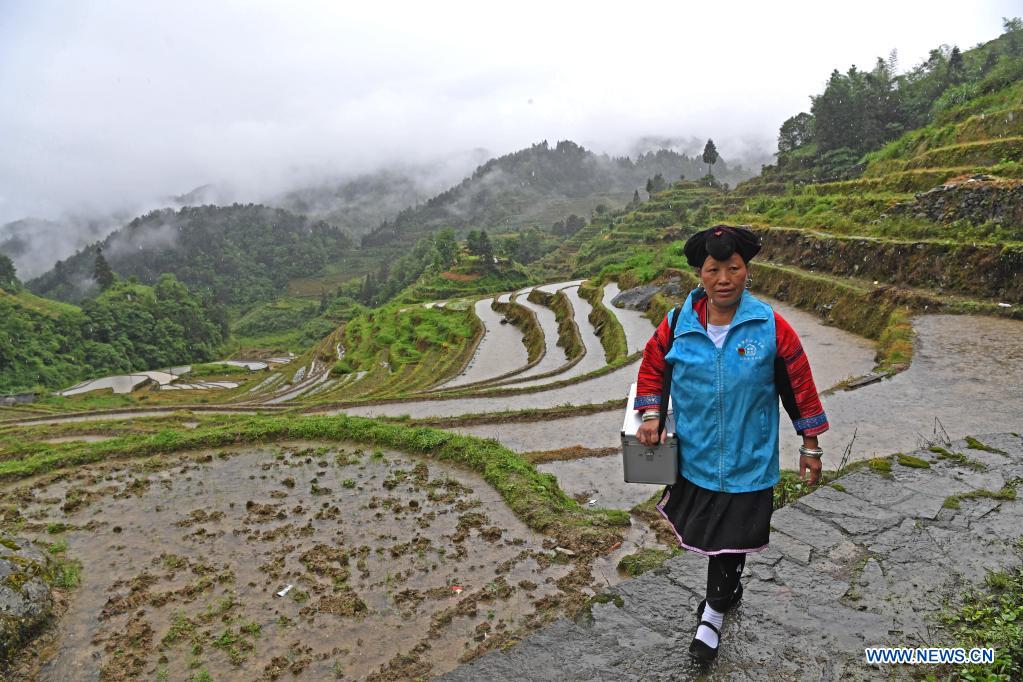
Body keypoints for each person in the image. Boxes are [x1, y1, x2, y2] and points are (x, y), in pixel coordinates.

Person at [634, 224, 828, 664]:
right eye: (714, 269)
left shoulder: (770, 327)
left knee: (732, 536)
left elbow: (798, 387)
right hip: (697, 457)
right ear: (700, 275)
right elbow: (652, 368)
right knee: (717, 536)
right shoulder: (676, 326)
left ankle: (713, 614)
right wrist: (650, 415)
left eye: (733, 268)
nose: (724, 278)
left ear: (747, 271)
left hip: (748, 457)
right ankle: (729, 591)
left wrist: (810, 445)